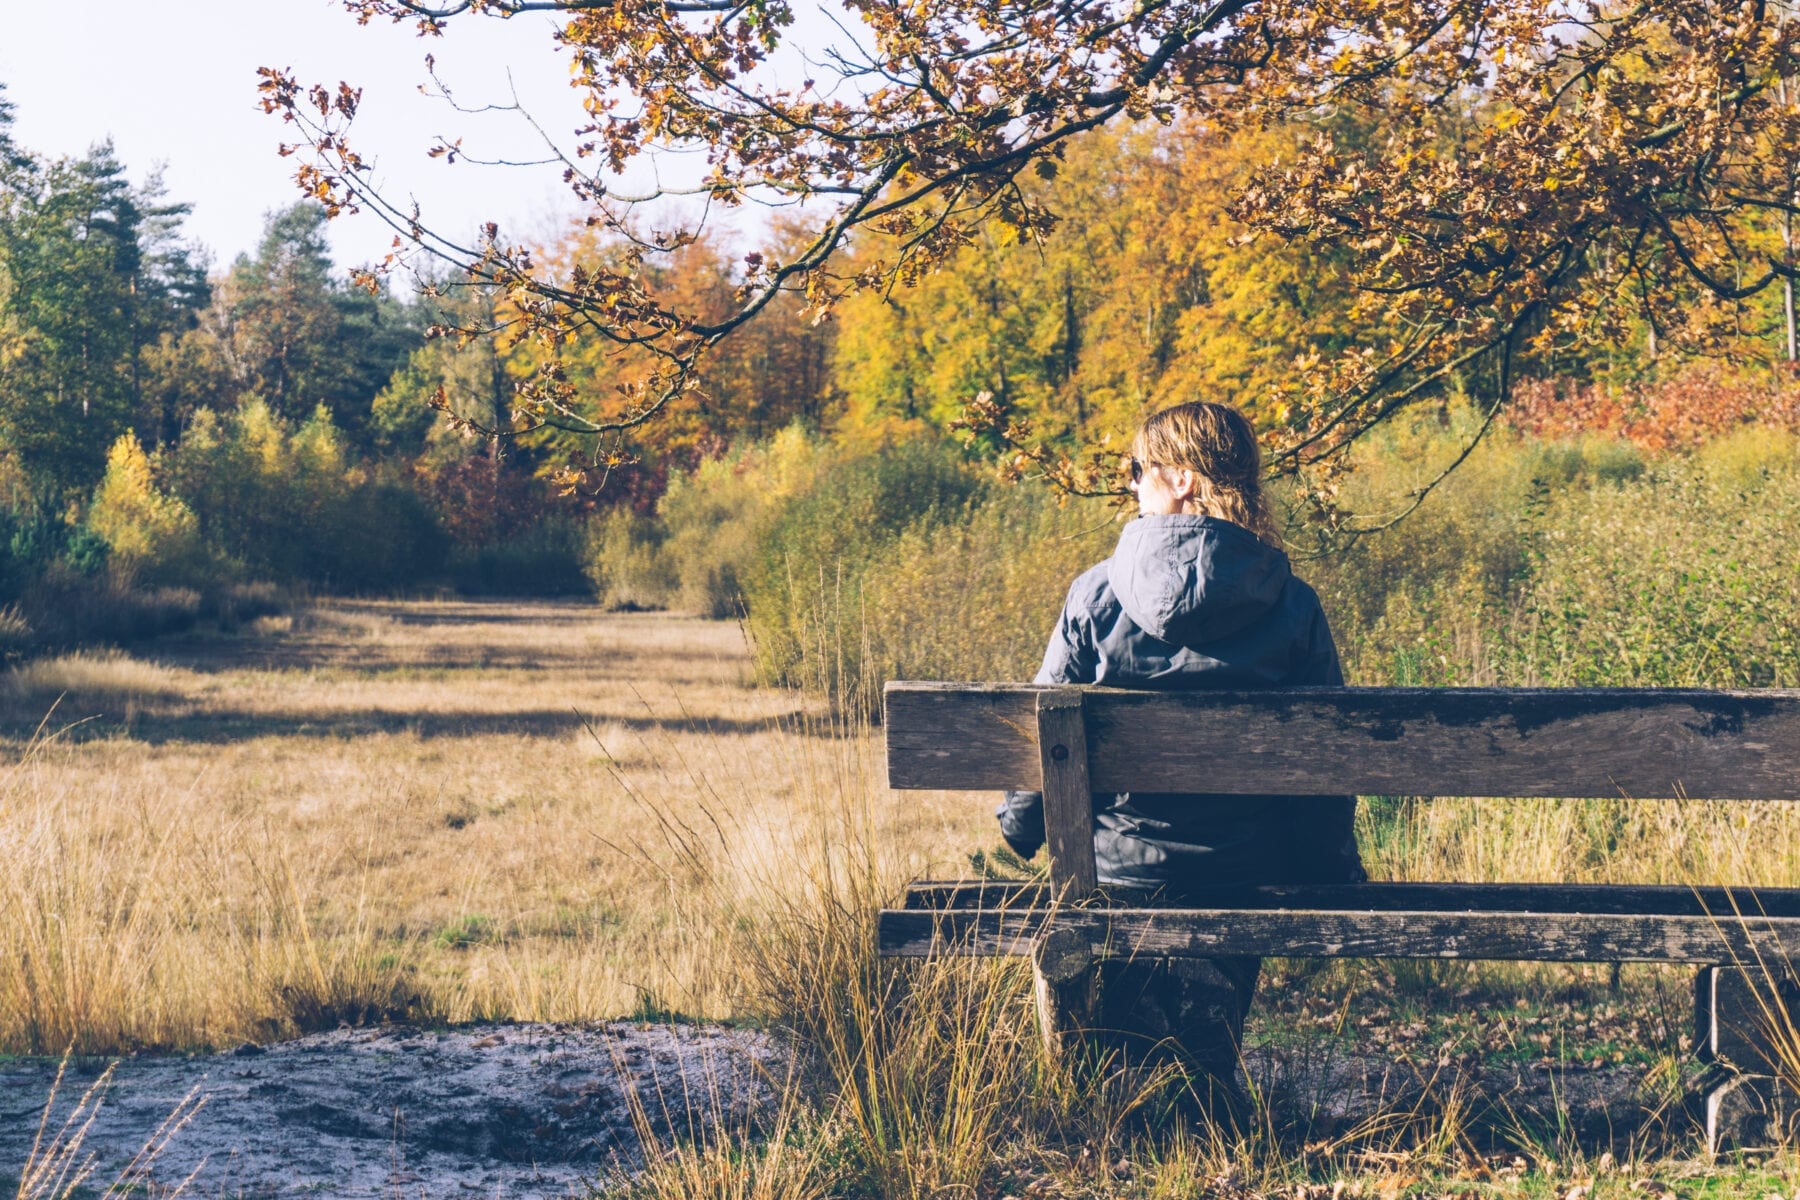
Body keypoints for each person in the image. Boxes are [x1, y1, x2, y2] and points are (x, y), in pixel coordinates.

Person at [995, 400, 1365, 1118]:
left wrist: (1019, 828)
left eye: (1138, 470)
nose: (1131, 485)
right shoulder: (1292, 604)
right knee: (1192, 1047)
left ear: (1183, 480)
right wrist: (1329, 871)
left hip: (1113, 870)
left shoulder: (1095, 597)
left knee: (1129, 1043)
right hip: (1247, 870)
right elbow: (1331, 765)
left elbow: (1044, 746)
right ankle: (1198, 1087)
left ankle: (1131, 1102)